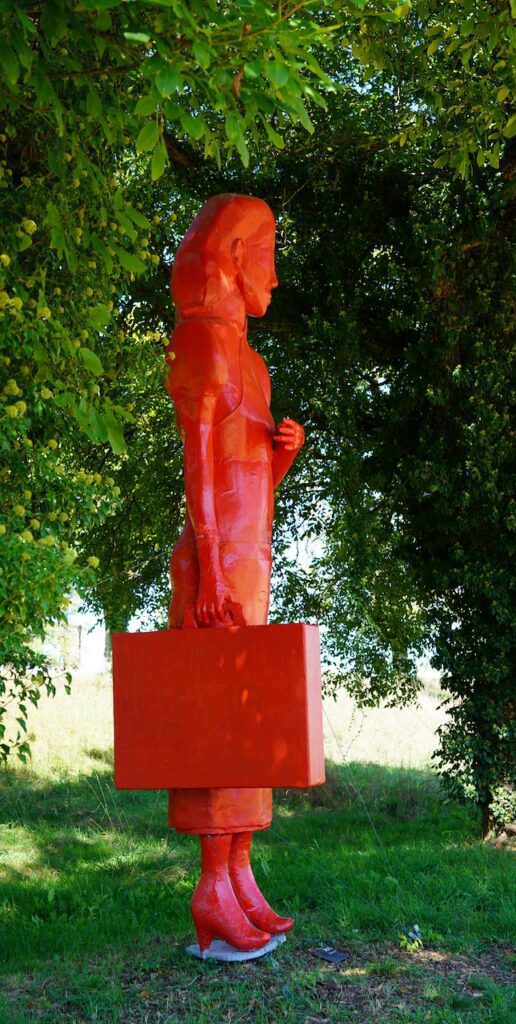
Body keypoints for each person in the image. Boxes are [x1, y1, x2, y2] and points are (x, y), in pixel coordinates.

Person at [165, 193, 305, 954]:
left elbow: (248, 476)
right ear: (232, 257)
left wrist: (281, 454)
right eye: (267, 258)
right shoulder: (205, 344)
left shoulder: (254, 361)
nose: (274, 279)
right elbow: (197, 464)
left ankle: (243, 874)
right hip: (216, 570)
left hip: (249, 567)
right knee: (213, 724)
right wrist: (211, 570)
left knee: (248, 720)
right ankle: (211, 887)